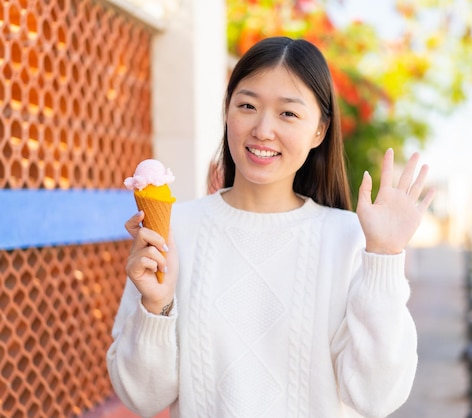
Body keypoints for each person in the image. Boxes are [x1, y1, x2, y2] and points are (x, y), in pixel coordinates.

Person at [107, 36, 435, 418]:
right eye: (247, 105)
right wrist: (156, 306)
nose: (263, 129)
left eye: (288, 114)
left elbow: (376, 398)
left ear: (319, 130)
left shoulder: (351, 240)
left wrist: (384, 256)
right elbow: (141, 397)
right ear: (227, 112)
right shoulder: (175, 230)